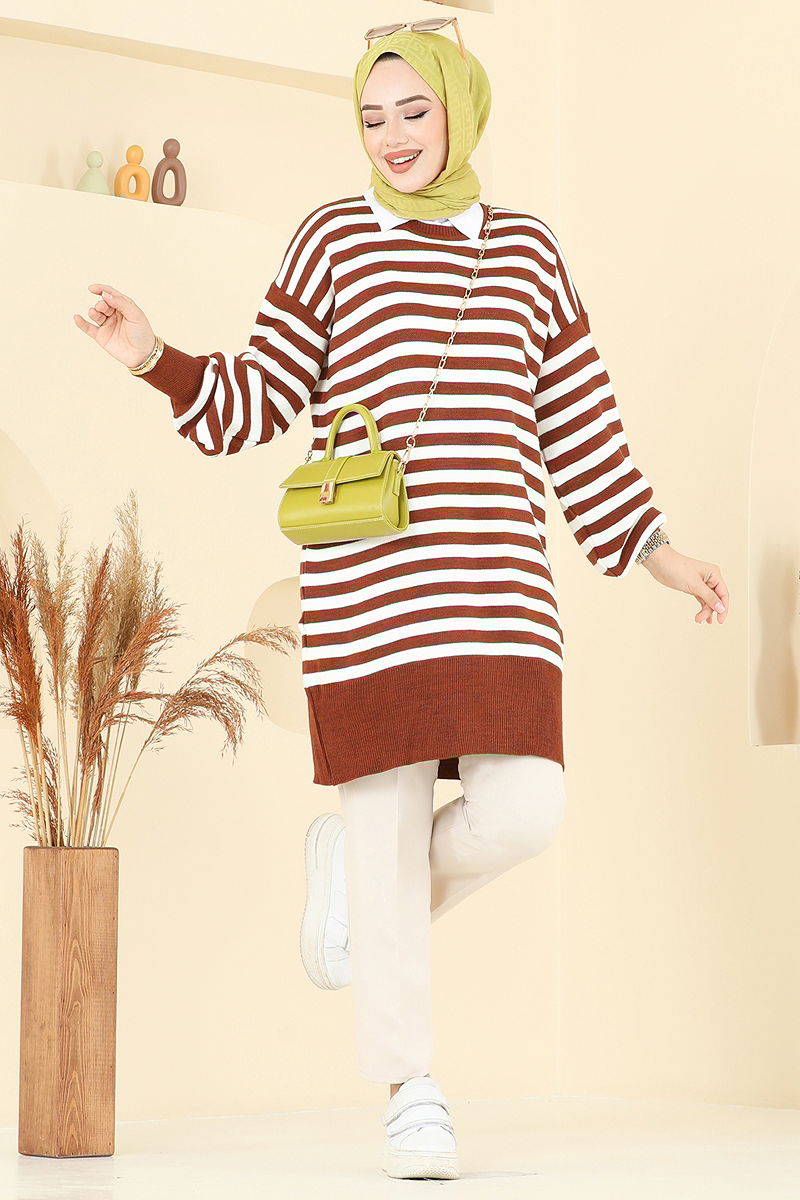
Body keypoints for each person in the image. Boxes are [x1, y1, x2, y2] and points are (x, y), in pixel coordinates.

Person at [73, 19, 729, 1183]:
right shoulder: (333, 237)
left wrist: (656, 551)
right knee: (382, 829)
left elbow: (578, 421)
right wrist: (152, 356)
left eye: (412, 111)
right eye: (370, 118)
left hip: (497, 591)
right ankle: (409, 1091)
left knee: (524, 809)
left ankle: (359, 895)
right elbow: (258, 395)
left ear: (460, 108)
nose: (391, 137)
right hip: (370, 590)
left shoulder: (526, 251)